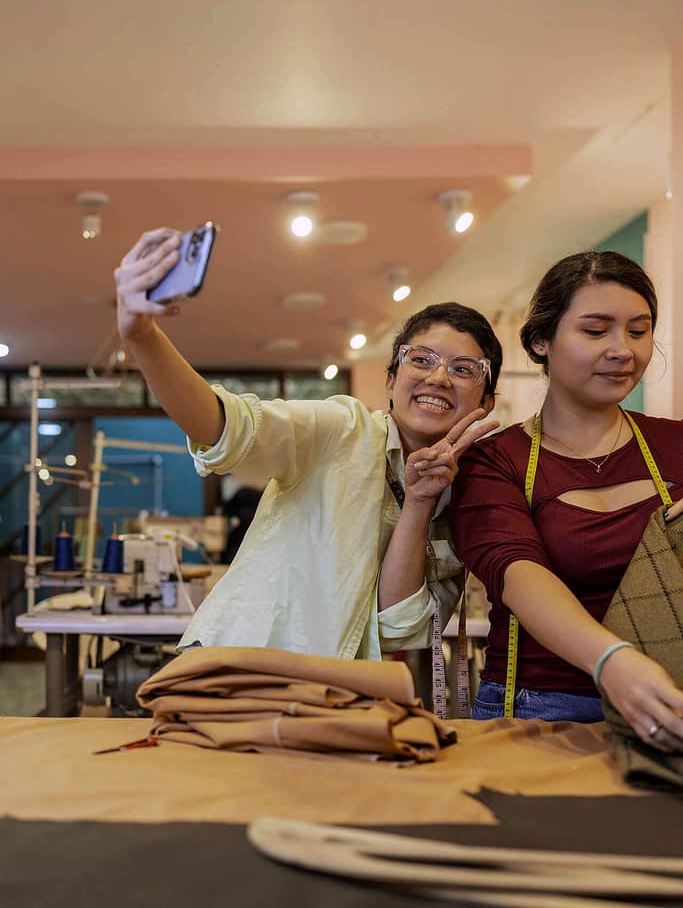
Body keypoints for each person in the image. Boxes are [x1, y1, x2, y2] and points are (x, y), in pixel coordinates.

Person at [115, 228, 502, 667]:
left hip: (337, 693)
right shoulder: (341, 429)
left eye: (464, 368)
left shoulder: (466, 499)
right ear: (391, 381)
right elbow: (229, 427)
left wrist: (419, 501)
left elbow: (398, 627)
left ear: (485, 401)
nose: (438, 378)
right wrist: (142, 335)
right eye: (421, 359)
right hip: (243, 671)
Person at [450, 250, 683, 751]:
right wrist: (612, 661)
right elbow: (520, 574)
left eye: (638, 331)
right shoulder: (495, 460)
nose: (623, 350)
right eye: (596, 331)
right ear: (541, 341)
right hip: (540, 708)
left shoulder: (678, 446)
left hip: (669, 700)